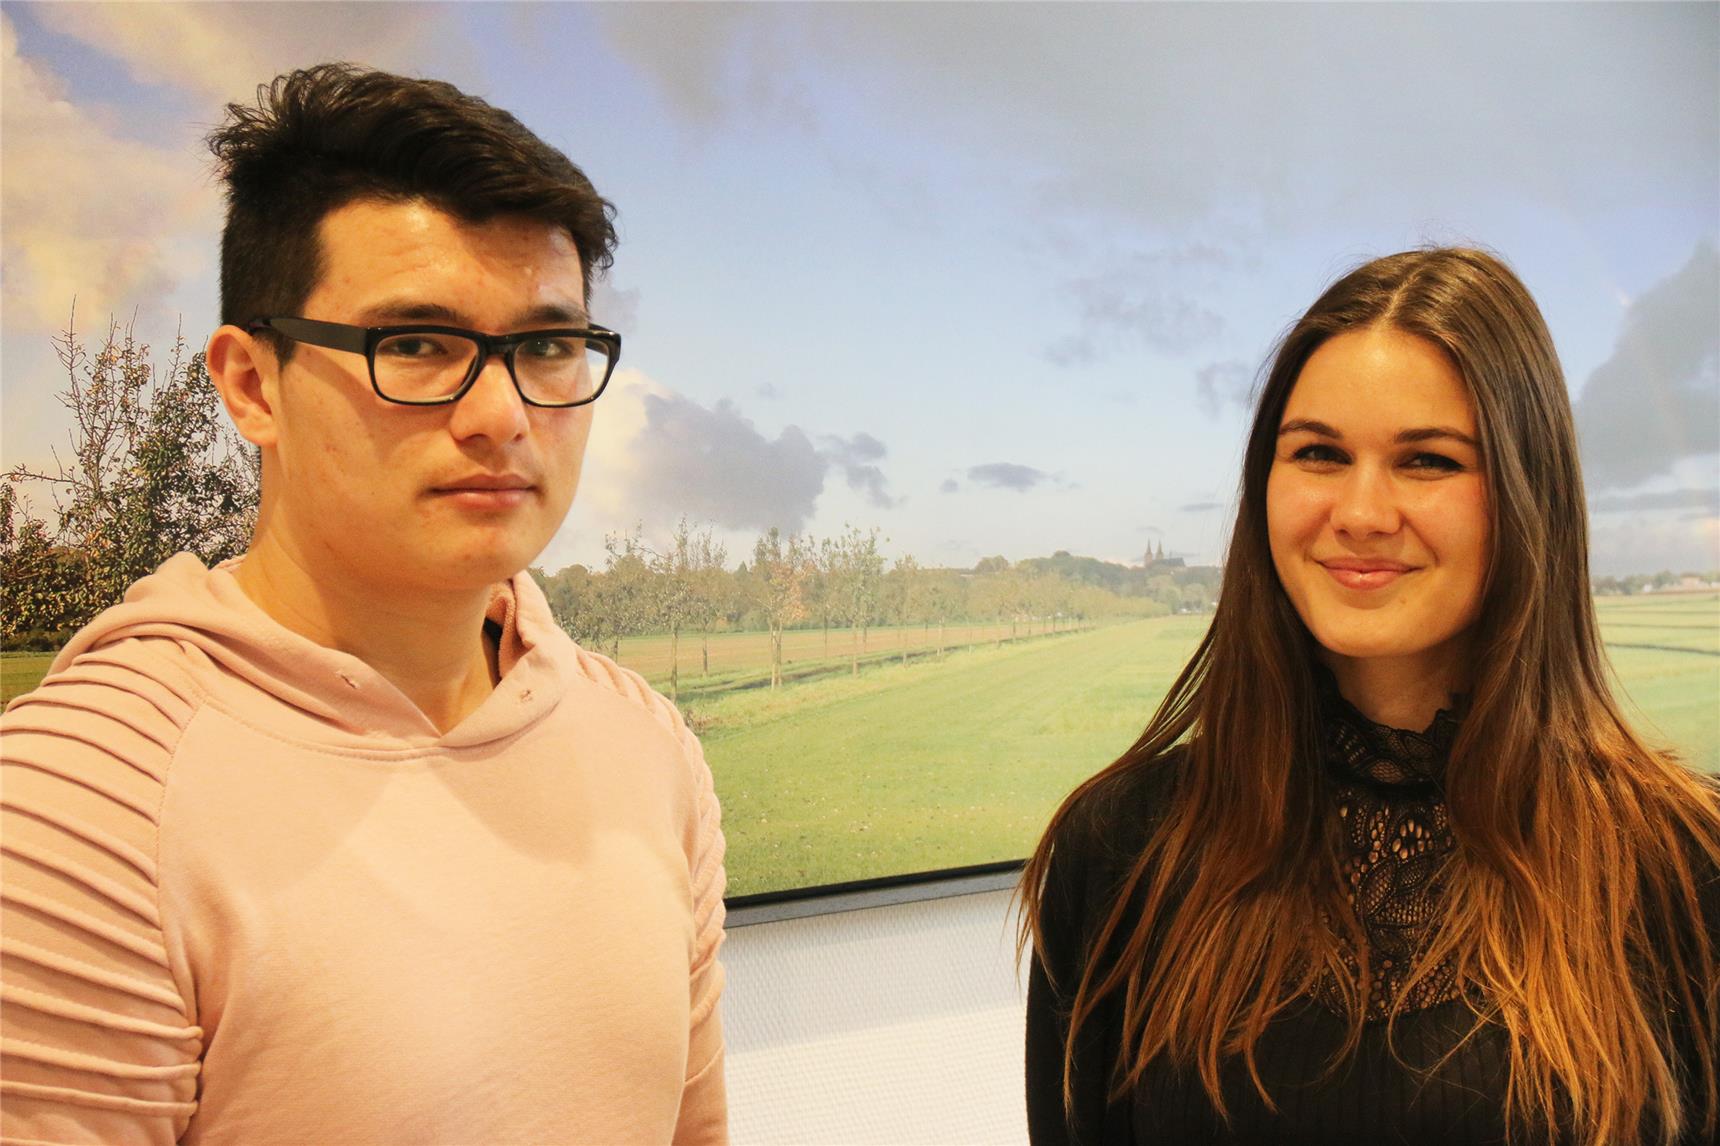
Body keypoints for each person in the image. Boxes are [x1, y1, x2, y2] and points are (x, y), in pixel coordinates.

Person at [0, 65, 728, 1143]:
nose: (501, 414)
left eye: (547, 346)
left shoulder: (644, 743)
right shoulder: (78, 804)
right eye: (418, 345)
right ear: (252, 385)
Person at [1021, 248, 1720, 1146]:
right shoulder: (1121, 848)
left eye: (1426, 461)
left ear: (1526, 493)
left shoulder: (1680, 868)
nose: (1359, 511)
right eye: (1318, 452)